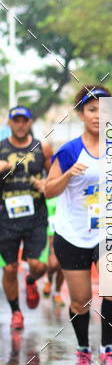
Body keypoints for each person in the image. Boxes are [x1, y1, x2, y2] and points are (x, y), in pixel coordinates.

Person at [45, 85, 112, 365]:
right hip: (73, 233)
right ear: (81, 113)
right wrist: (68, 174)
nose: (98, 115)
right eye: (92, 109)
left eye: (104, 110)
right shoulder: (68, 151)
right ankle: (83, 350)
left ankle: (108, 348)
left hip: (110, 230)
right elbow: (48, 191)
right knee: (80, 299)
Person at [0, 106, 53, 330]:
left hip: (36, 216)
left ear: (30, 123)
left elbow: (55, 177)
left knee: (39, 265)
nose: (20, 124)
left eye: (25, 121)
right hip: (6, 218)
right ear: (10, 123)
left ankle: (31, 280)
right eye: (16, 121)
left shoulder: (43, 147)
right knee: (10, 269)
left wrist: (46, 185)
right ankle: (16, 313)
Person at [42, 195, 65, 305]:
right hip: (50, 231)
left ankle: (57, 293)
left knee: (63, 267)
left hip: (68, 231)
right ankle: (48, 278)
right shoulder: (47, 191)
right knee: (53, 264)